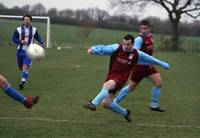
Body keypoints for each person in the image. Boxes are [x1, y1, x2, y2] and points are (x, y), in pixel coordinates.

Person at [83, 34, 169, 122]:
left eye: (128, 44)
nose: (125, 46)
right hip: (111, 76)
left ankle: (93, 103)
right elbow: (105, 48)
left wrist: (162, 64)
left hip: (121, 79)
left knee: (108, 85)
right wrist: (93, 49)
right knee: (105, 103)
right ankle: (125, 113)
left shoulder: (136, 54)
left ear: (132, 44)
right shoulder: (117, 48)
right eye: (124, 44)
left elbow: (150, 59)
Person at [113, 19, 167, 112]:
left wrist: (151, 60)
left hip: (149, 67)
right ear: (140, 29)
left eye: (145, 28)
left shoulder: (150, 37)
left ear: (149, 29)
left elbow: (149, 52)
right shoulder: (139, 39)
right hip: (139, 68)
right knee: (131, 87)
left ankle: (153, 105)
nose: (143, 30)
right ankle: (115, 102)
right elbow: (135, 53)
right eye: (142, 28)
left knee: (159, 83)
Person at [12, 14, 43, 89]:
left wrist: (41, 43)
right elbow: (13, 39)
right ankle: (24, 76)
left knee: (25, 67)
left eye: (28, 19)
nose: (27, 21)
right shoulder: (18, 29)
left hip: (30, 52)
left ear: (30, 21)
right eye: (25, 19)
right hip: (20, 51)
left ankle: (22, 83)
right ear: (23, 21)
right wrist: (20, 41)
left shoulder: (34, 30)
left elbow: (38, 37)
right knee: (21, 68)